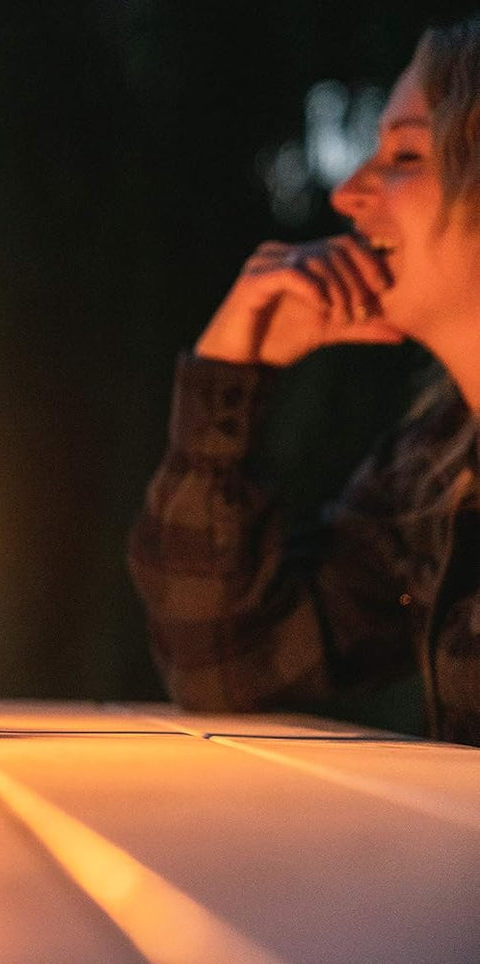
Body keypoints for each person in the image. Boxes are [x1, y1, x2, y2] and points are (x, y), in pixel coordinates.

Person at [129, 14, 480, 746]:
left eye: (407, 155)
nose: (350, 192)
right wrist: (227, 376)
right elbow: (226, 665)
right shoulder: (435, 471)